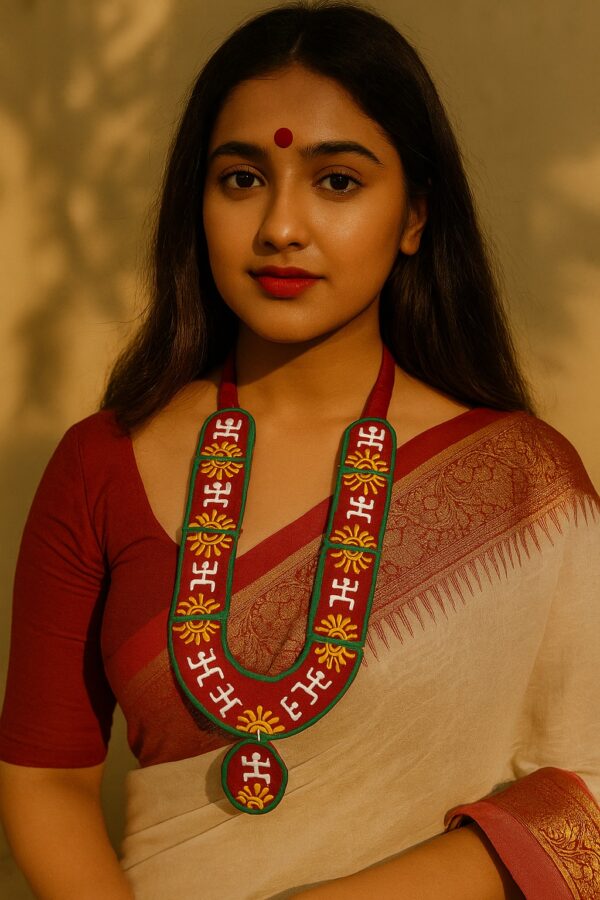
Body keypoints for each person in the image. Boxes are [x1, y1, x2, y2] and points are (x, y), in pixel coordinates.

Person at [1, 2, 598, 898]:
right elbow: (45, 778)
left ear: (414, 217)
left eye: (338, 182)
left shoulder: (522, 482)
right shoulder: (101, 463)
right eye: (242, 179)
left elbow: (590, 792)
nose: (281, 226)